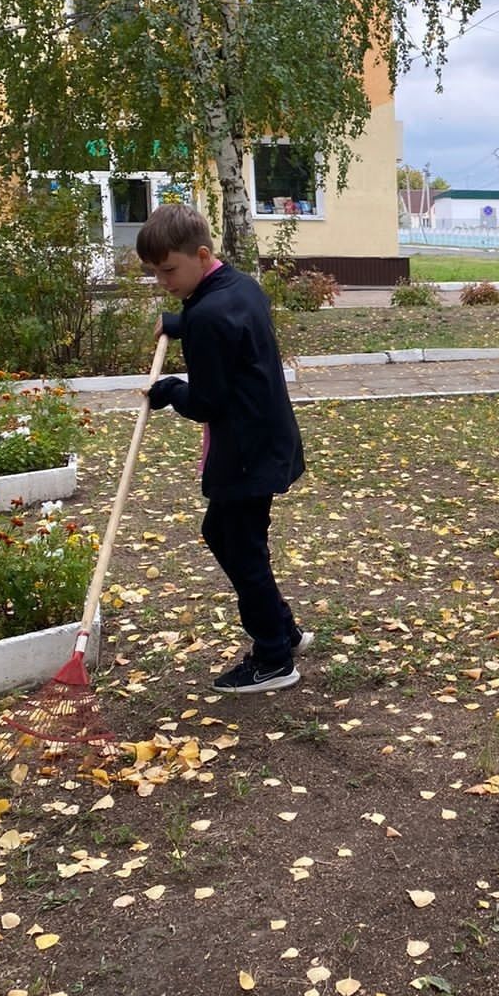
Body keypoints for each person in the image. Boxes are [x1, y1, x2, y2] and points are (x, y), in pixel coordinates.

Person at [136, 203, 309, 694]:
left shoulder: (208, 314)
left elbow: (208, 402)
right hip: (268, 438)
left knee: (238, 543)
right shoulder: (239, 285)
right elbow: (228, 323)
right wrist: (180, 322)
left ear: (201, 254)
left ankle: (274, 657)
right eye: (155, 272)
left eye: (169, 270)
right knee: (227, 534)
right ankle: (284, 630)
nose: (163, 280)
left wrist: (169, 390)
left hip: (246, 450)